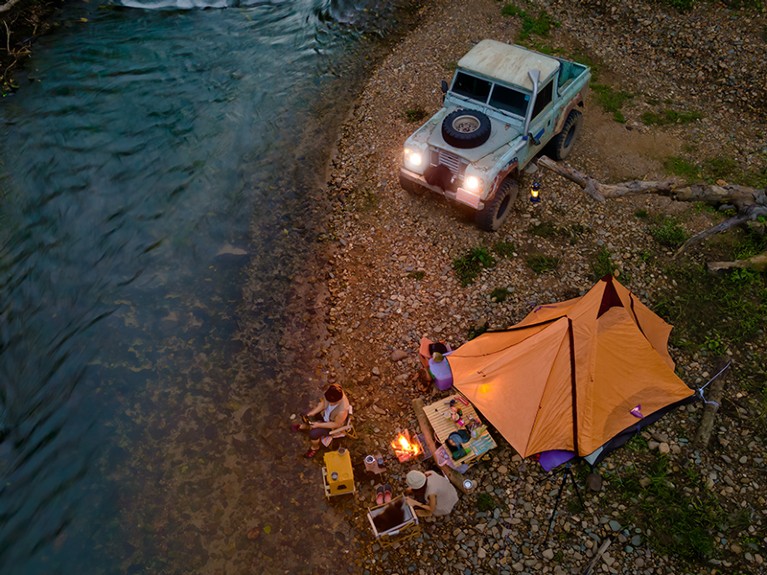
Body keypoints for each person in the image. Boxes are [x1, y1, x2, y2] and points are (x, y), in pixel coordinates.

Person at [291, 383, 351, 458]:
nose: (330, 403)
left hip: (331, 425)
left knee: (313, 434)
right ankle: (306, 426)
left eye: (332, 402)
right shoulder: (333, 390)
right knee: (305, 414)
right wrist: (312, 413)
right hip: (325, 415)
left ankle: (315, 448)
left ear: (338, 400)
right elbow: (323, 404)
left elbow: (336, 424)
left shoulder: (342, 411)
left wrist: (319, 425)